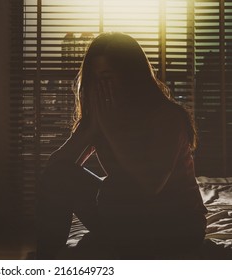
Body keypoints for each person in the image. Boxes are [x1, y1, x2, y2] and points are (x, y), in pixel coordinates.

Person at [35, 32, 208, 259]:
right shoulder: (104, 114)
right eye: (94, 79)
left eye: (107, 76)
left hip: (175, 226)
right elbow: (55, 168)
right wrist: (89, 128)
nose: (100, 86)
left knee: (116, 194)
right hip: (128, 214)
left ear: (130, 75)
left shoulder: (167, 117)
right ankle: (47, 262)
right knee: (60, 174)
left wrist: (109, 128)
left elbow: (150, 184)